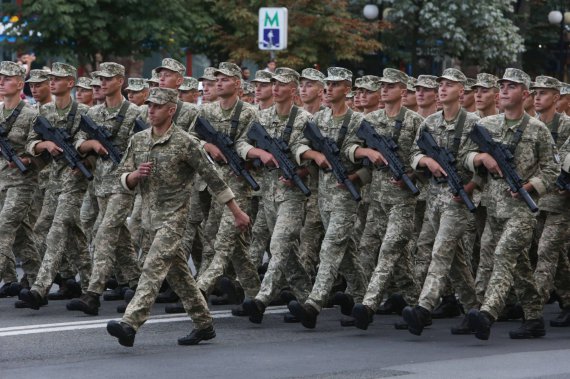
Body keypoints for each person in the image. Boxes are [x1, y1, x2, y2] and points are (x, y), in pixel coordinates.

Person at [106, 87, 250, 347]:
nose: (151, 110)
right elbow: (121, 177)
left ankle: (130, 323)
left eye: (157, 106)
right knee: (180, 275)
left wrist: (237, 212)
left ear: (171, 110)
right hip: (149, 220)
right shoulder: (138, 140)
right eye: (149, 105)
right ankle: (204, 324)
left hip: (174, 218)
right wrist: (134, 177)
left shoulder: (186, 142)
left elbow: (214, 179)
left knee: (152, 268)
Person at [464, 68, 559, 340]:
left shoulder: (538, 129)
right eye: (502, 86)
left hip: (521, 210)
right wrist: (481, 160)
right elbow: (466, 157)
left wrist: (530, 186)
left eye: (512, 86)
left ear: (525, 94)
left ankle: (487, 314)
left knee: (504, 255)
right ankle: (533, 317)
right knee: (517, 265)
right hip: (493, 207)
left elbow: (552, 170)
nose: (504, 90)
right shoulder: (488, 126)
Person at [401, 68, 481, 336]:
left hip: (458, 199)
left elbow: (485, 164)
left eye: (450, 85)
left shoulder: (474, 123)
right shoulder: (430, 123)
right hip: (434, 196)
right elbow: (414, 152)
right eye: (441, 84)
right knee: (452, 257)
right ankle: (474, 309)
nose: (443, 88)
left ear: (462, 91)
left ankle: (424, 307)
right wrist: (427, 161)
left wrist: (469, 186)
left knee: (441, 251)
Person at [288, 67, 367, 329]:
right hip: (323, 197)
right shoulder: (318, 119)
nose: (329, 89)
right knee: (345, 256)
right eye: (327, 85)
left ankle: (314, 304)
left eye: (335, 85)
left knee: (330, 247)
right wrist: (315, 156)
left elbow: (371, 160)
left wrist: (355, 177)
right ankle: (365, 301)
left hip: (346, 196)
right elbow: (298, 145)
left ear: (347, 89)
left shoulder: (358, 122)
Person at [66, 62, 142, 316]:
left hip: (123, 184)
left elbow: (145, 146)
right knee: (119, 237)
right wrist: (91, 144)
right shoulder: (94, 114)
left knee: (105, 233)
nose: (103, 84)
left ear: (120, 81)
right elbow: (77, 141)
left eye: (109, 79)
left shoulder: (135, 114)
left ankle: (93, 294)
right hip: (100, 184)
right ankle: (137, 283)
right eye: (101, 79)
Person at [350, 68, 423, 330]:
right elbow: (350, 147)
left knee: (390, 248)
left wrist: (411, 174)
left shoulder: (415, 122)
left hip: (403, 198)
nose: (384, 89)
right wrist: (366, 152)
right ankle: (418, 307)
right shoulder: (370, 119)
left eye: (390, 86)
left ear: (403, 91)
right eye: (382, 85)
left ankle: (368, 306)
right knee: (372, 249)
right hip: (377, 197)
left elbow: (422, 156)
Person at [240, 68, 313, 324]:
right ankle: (308, 302)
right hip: (268, 194)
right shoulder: (262, 116)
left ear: (293, 90)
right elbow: (242, 144)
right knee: (286, 254)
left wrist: (300, 171)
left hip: (293, 194)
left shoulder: (304, 119)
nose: (276, 88)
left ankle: (261, 299)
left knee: (279, 245)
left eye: (281, 85)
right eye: (274, 84)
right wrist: (259, 154)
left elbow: (314, 157)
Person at [18, 62, 92, 309]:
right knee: (68, 233)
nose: (52, 82)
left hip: (76, 179)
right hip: (52, 180)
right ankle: (92, 287)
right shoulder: (45, 112)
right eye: (51, 79)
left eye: (58, 79)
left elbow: (94, 146)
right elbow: (31, 143)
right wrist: (45, 146)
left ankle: (39, 288)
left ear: (70, 82)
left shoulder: (84, 112)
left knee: (58, 229)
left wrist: (83, 158)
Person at [194, 62, 260, 303]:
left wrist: (245, 154)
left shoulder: (249, 113)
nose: (218, 83)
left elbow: (253, 145)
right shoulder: (207, 112)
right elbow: (191, 139)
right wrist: (207, 145)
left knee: (224, 241)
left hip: (240, 185)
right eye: (216, 79)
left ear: (237, 84)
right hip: (216, 186)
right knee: (225, 241)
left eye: (224, 79)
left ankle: (199, 290)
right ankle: (255, 296)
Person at [529, 76, 570, 327]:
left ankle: (532, 311)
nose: (537, 97)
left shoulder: (566, 126)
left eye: (543, 93)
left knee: (546, 251)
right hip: (536, 200)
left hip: (560, 202)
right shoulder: (531, 125)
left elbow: (561, 161)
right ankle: (568, 299)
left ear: (556, 98)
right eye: (535, 93)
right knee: (556, 255)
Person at [0, 61, 42, 299]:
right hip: (1, 181)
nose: (1, 82)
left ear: (19, 83)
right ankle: (39, 283)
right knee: (23, 235)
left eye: (6, 78)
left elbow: (41, 151)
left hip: (22, 182)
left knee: (3, 229)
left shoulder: (31, 115)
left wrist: (26, 157)